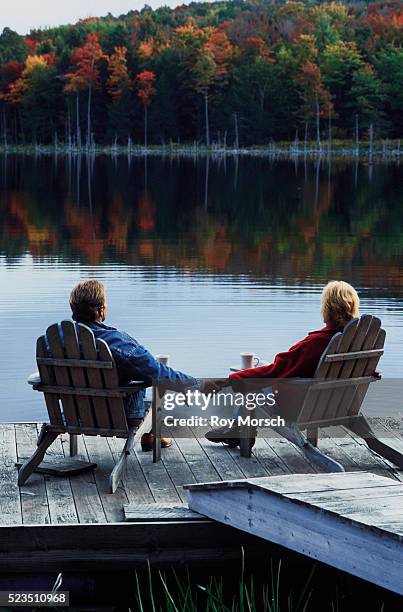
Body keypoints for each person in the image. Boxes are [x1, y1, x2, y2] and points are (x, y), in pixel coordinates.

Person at [205, 280, 360, 446]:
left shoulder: (317, 342)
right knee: (260, 366)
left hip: (301, 404)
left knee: (254, 379)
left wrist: (228, 380)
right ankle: (236, 427)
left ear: (331, 308)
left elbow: (276, 371)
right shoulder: (355, 340)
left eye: (324, 304)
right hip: (335, 401)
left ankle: (238, 430)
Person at [68, 279, 200, 451]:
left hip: (73, 413)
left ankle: (150, 437)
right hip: (116, 415)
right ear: (101, 310)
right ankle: (151, 434)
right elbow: (158, 373)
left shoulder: (55, 340)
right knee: (158, 393)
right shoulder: (116, 343)